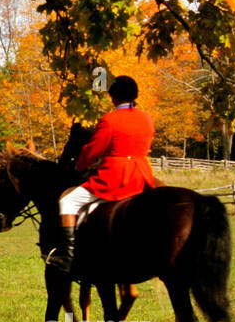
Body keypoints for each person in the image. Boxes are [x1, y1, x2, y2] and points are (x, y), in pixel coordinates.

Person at [48, 75, 157, 273]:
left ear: (113, 98)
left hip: (115, 177)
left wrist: (79, 167)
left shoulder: (109, 120)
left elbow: (93, 151)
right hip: (142, 174)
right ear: (135, 95)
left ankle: (68, 256)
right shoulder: (146, 118)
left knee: (67, 202)